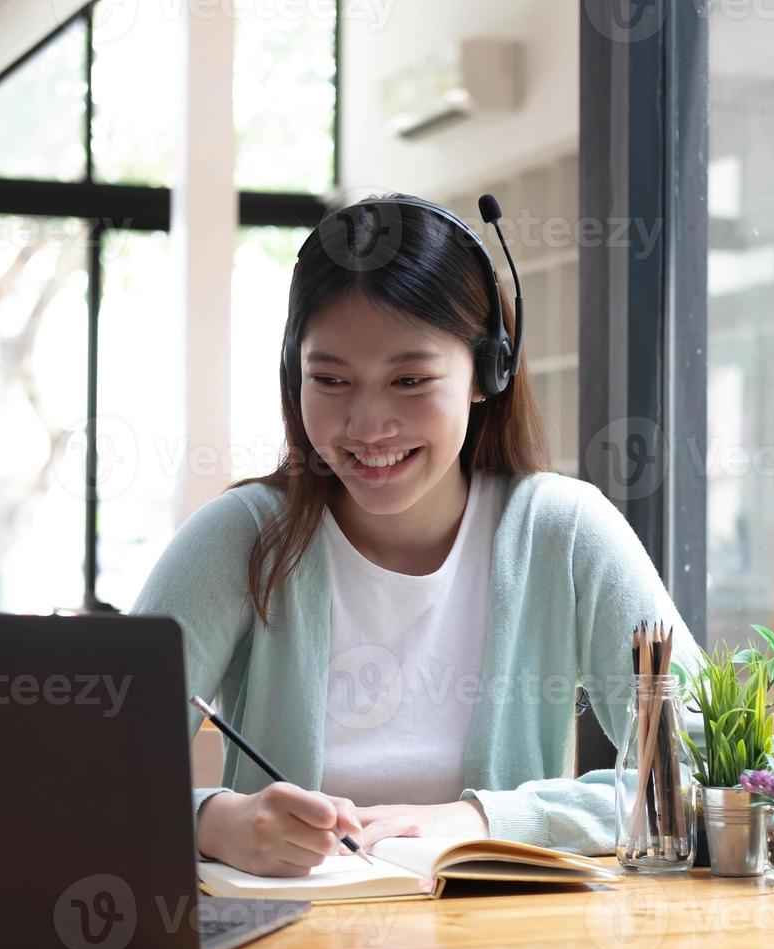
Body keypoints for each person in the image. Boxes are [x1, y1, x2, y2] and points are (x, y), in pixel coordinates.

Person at [131, 193, 699, 878]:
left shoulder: (563, 534)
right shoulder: (241, 539)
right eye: (331, 379)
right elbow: (89, 769)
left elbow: (701, 773)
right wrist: (216, 822)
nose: (367, 425)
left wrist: (489, 820)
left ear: (489, 373)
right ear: (293, 375)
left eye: (410, 380)